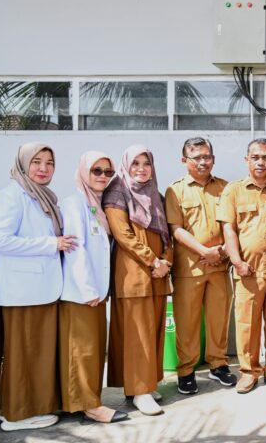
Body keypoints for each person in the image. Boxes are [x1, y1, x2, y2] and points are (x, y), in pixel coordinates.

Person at [0, 143, 73, 431]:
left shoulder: (41, 196)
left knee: (34, 352)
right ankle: (16, 415)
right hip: (21, 290)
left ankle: (30, 407)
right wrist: (50, 244)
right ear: (23, 164)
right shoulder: (12, 195)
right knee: (21, 355)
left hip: (40, 288)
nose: (43, 168)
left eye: (49, 163)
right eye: (36, 162)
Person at [103, 145, 172, 416]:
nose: (141, 168)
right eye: (135, 163)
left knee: (152, 331)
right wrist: (153, 260)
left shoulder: (156, 193)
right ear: (126, 166)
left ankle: (147, 383)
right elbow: (123, 236)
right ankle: (138, 391)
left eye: (146, 163)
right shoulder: (117, 191)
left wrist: (166, 261)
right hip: (133, 273)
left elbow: (167, 234)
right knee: (136, 335)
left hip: (157, 274)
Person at [59, 151, 128, 423]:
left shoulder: (94, 204)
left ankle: (83, 401)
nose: (102, 176)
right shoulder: (74, 203)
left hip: (96, 293)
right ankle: (89, 406)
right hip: (81, 294)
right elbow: (75, 250)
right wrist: (88, 290)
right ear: (83, 172)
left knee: (91, 350)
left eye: (108, 172)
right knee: (83, 352)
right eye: (96, 171)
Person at [217, 138, 266, 394]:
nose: (261, 162)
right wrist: (236, 261)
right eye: (255, 157)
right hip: (247, 270)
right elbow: (229, 228)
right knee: (247, 324)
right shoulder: (233, 190)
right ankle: (248, 371)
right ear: (246, 160)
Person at [165, 137, 235, 396]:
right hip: (189, 270)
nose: (203, 162)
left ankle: (218, 365)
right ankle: (186, 371)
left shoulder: (226, 188)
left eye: (207, 157)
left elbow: (232, 226)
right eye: (197, 157)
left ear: (213, 159)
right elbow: (176, 228)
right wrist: (204, 251)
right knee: (187, 323)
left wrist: (223, 251)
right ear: (185, 161)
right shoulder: (176, 190)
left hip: (219, 267)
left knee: (219, 320)